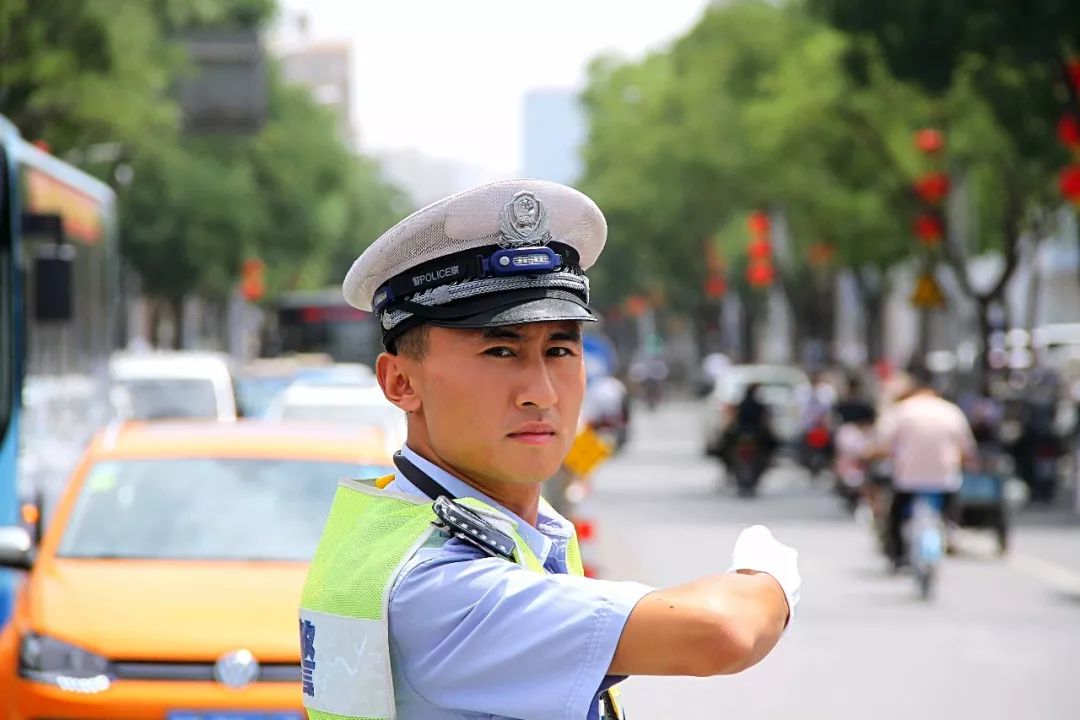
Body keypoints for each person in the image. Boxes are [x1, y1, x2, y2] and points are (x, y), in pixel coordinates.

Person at [298, 180, 801, 720]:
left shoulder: (448, 526)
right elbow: (722, 634)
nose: (541, 390)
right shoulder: (439, 584)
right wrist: (765, 575)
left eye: (560, 348)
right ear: (400, 382)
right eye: (499, 350)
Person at [875, 367, 977, 569]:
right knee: (950, 511)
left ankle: (897, 557)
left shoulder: (902, 411)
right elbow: (967, 449)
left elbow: (883, 444)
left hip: (908, 481)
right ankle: (951, 532)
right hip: (944, 481)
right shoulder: (951, 412)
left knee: (894, 517)